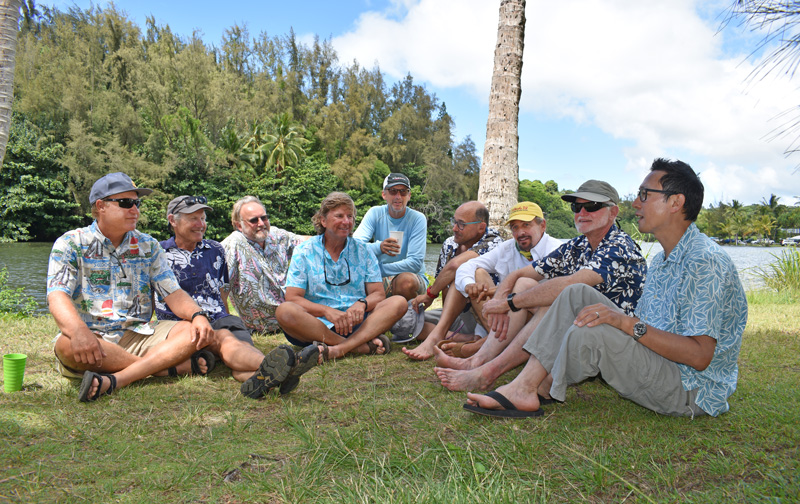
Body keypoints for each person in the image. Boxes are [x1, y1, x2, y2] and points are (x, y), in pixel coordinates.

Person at [464, 159, 747, 418]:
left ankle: (530, 384)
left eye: (645, 195)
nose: (636, 203)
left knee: (587, 320)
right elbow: (544, 278)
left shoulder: (704, 261)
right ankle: (530, 386)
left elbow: (699, 357)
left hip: (690, 389)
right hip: (657, 360)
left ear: (676, 202)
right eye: (578, 207)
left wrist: (623, 323)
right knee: (575, 296)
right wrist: (507, 292)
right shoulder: (662, 259)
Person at [46, 174, 316, 403]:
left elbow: (173, 293)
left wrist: (198, 315)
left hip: (140, 332)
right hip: (94, 336)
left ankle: (119, 379)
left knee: (192, 330)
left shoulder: (148, 245)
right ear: (101, 206)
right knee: (67, 346)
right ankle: (166, 368)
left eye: (137, 202)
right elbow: (57, 294)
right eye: (126, 202)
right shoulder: (71, 243)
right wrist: (80, 331)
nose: (135, 210)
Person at [434, 180, 647, 393]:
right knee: (526, 283)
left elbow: (572, 284)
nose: (582, 212)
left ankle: (488, 372)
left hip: (614, 336)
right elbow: (523, 273)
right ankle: (477, 362)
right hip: (584, 323)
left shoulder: (619, 246)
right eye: (576, 207)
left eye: (591, 206)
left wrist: (509, 303)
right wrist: (502, 298)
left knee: (555, 299)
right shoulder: (579, 244)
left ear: (613, 213)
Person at [156, 195, 321, 395]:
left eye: (203, 218)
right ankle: (289, 368)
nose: (201, 224)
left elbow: (222, 291)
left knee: (239, 350)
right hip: (181, 326)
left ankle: (273, 376)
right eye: (194, 219)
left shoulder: (215, 250)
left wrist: (226, 319)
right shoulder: (158, 254)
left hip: (218, 319)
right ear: (173, 220)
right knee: (229, 346)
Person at [402, 201, 560, 360]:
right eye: (515, 227)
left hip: (537, 319)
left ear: (542, 226)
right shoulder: (507, 247)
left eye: (526, 225)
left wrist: (498, 292)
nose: (520, 232)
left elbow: (555, 295)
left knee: (524, 286)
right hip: (495, 318)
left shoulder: (558, 250)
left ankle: (478, 345)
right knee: (476, 273)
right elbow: (466, 267)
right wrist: (469, 286)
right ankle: (475, 340)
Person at [275, 192, 408, 359]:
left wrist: (362, 304)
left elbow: (378, 294)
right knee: (284, 311)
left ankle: (337, 349)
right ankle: (358, 347)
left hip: (357, 323)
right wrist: (327, 311)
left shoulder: (364, 251)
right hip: (315, 325)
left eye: (350, 216)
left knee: (398, 302)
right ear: (323, 221)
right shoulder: (304, 251)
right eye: (339, 216)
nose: (347, 222)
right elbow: (293, 298)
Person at [221, 196, 307, 334]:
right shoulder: (231, 246)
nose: (261, 223)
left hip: (295, 316)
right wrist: (227, 330)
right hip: (263, 327)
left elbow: (307, 244)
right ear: (239, 225)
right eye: (254, 220)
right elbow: (221, 292)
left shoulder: (276, 235)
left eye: (264, 218)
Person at [353, 173, 428, 300]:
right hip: (379, 277)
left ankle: (409, 318)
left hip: (411, 277)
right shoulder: (375, 213)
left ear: (409, 195)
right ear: (384, 194)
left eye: (403, 192)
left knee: (406, 282)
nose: (398, 197)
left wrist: (376, 270)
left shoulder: (417, 219)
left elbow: (415, 263)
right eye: (393, 191)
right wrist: (379, 247)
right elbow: (353, 247)